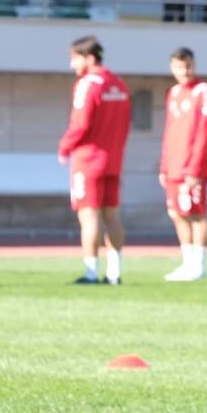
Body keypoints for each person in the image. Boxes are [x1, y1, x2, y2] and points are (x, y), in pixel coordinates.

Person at [57, 36, 131, 285]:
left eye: (74, 58)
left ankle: (90, 272)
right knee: (113, 217)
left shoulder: (87, 84)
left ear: (89, 58)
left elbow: (80, 123)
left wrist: (64, 146)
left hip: (88, 160)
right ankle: (114, 273)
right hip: (113, 160)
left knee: (88, 217)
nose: (72, 65)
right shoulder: (119, 84)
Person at [160, 46, 207, 280]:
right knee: (177, 214)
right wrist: (163, 165)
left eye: (189, 65)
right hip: (173, 165)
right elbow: (169, 130)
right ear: (173, 68)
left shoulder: (202, 91)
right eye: (180, 67)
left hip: (193, 166)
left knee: (196, 214)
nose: (185, 71)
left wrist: (194, 168)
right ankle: (187, 262)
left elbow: (203, 131)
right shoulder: (173, 93)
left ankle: (199, 266)